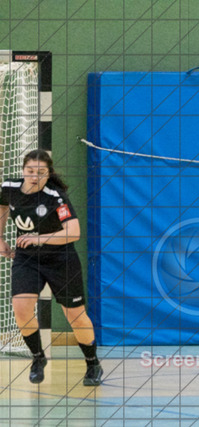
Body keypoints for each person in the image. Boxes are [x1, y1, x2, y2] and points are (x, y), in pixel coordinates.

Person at [0, 149, 103, 386]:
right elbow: (3, 206)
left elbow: (73, 232)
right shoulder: (9, 188)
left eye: (41, 173)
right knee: (21, 308)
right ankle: (38, 357)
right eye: (30, 171)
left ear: (48, 174)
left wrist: (38, 238)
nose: (34, 177)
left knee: (76, 316)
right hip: (27, 259)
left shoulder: (55, 197)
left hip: (60, 260)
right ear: (23, 170)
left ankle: (92, 363)